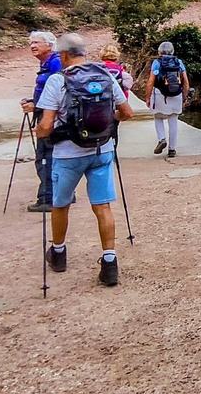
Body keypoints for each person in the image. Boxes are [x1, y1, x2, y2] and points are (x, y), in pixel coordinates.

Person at [34, 33, 135, 286]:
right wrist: (104, 121)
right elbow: (127, 113)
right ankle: (109, 262)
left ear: (64, 55)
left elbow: (46, 126)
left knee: (61, 204)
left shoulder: (58, 81)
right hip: (102, 150)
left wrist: (41, 131)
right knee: (102, 206)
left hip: (68, 154)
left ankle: (58, 254)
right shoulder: (106, 76)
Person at [20, 30, 61, 212]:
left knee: (45, 157)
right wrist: (33, 101)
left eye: (37, 42)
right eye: (31, 43)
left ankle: (48, 198)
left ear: (50, 45)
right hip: (47, 115)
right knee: (50, 156)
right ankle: (61, 193)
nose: (33, 46)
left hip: (50, 118)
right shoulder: (49, 63)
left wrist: (36, 105)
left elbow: (59, 93)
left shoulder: (55, 62)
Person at [146, 41, 190, 159]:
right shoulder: (179, 62)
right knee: (173, 120)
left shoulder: (157, 62)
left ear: (159, 51)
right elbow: (185, 82)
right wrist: (184, 96)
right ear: (172, 51)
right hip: (176, 95)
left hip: (160, 94)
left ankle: (161, 139)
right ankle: (172, 149)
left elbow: (151, 81)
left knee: (158, 117)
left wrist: (147, 97)